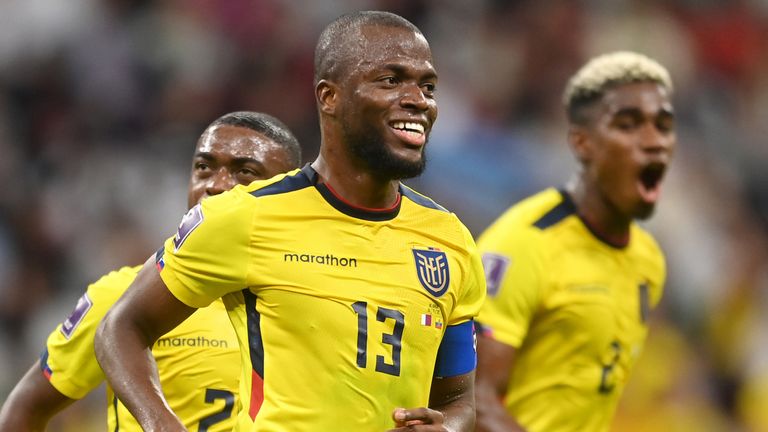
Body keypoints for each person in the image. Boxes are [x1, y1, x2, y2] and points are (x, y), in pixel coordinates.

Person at [94, 10, 486, 432]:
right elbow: (121, 328)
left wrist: (445, 428)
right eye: (390, 81)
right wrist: (161, 423)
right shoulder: (248, 215)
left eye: (427, 86)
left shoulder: (450, 240)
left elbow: (457, 400)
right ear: (328, 97)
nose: (418, 100)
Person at [0, 111, 302, 432]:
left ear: (293, 194)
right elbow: (23, 411)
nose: (215, 185)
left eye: (245, 172)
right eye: (203, 167)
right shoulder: (125, 298)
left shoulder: (320, 298)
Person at [473, 51, 676, 432]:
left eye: (663, 125)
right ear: (583, 143)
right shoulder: (522, 244)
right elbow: (471, 402)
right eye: (629, 124)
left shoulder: (649, 262)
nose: (654, 141)